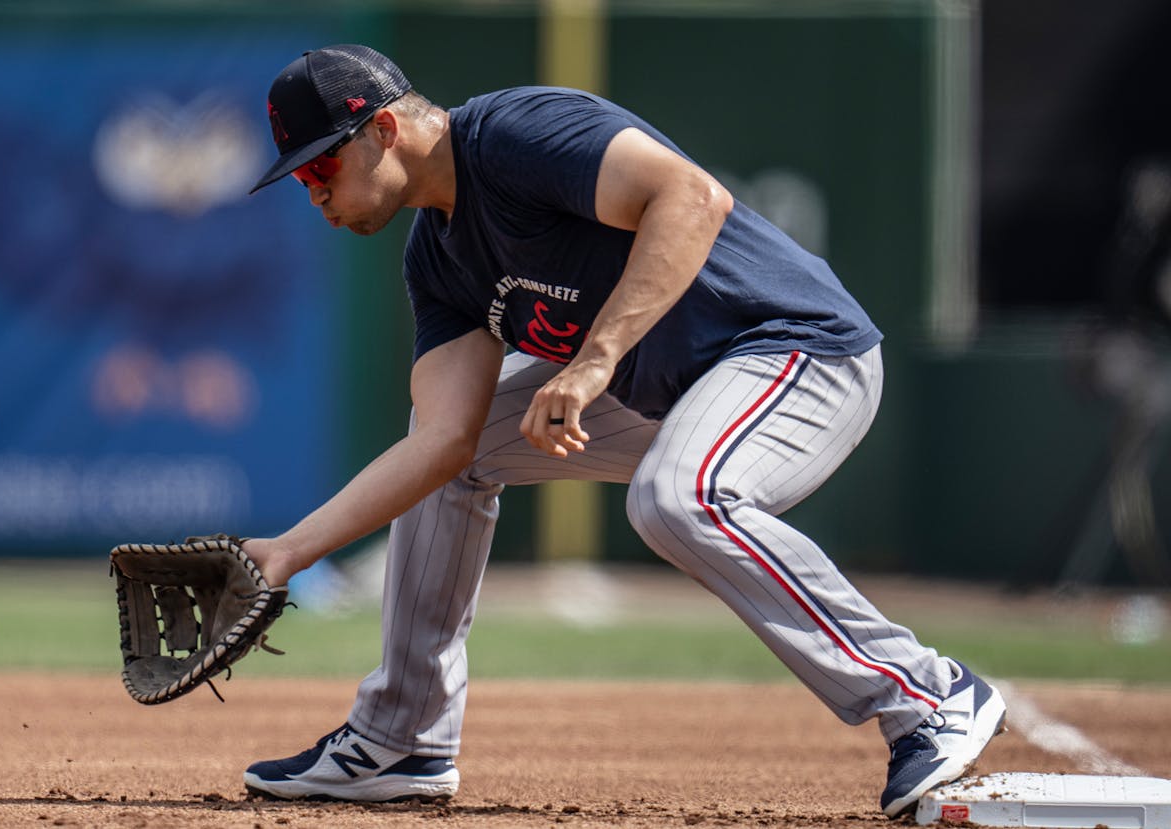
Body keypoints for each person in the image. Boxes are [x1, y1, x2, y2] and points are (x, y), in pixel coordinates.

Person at [240, 43, 1006, 818]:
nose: (312, 193)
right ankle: (401, 737)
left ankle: (930, 695)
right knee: (450, 459)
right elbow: (442, 441)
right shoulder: (436, 259)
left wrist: (592, 359)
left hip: (797, 349)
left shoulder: (514, 133)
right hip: (670, 389)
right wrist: (287, 553)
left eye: (317, 170)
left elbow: (693, 198)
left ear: (380, 132)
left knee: (676, 498)